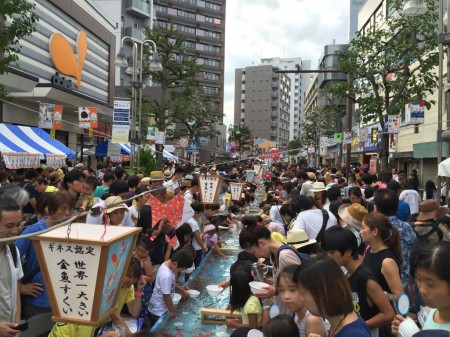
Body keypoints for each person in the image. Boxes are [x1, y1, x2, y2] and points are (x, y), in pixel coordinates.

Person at [322, 226, 395, 337]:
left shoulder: (365, 278)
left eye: (332, 252)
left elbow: (389, 314)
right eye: (326, 253)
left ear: (348, 251)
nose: (328, 257)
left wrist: (359, 327)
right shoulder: (347, 274)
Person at [49, 257, 146, 337]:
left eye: (135, 277)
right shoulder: (101, 293)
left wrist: (139, 290)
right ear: (119, 272)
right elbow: (115, 316)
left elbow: (134, 313)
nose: (132, 281)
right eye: (129, 276)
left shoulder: (128, 287)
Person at [17, 191, 74, 319]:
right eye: (63, 209)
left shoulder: (70, 228)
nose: (67, 213)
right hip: (39, 300)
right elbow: (11, 258)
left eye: (70, 209)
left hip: (64, 296)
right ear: (51, 210)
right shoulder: (32, 231)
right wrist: (20, 286)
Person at [293, 255, 372, 337]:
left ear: (322, 293)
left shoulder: (352, 334)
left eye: (303, 293)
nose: (301, 298)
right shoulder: (340, 322)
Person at [239, 225, 301, 314]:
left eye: (254, 252)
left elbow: (300, 286)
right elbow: (286, 281)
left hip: (292, 312)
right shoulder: (274, 253)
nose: (257, 256)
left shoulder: (285, 256)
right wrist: (270, 282)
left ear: (261, 243)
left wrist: (275, 291)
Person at [391, 242, 450, 335]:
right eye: (418, 278)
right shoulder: (431, 311)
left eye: (430, 284)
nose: (422, 290)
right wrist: (408, 331)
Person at [360, 213, 404, 303]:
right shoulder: (369, 250)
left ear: (375, 232)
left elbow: (400, 297)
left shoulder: (387, 261)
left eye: (363, 228)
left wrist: (377, 293)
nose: (360, 232)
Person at [147, 249, 194, 327]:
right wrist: (172, 311)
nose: (180, 271)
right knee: (156, 329)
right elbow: (166, 295)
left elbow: (171, 284)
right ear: (175, 264)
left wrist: (182, 290)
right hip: (158, 310)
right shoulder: (166, 275)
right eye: (181, 269)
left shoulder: (167, 264)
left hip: (158, 306)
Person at [277, 265, 326, 337]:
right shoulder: (296, 314)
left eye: (292, 290)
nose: (286, 296)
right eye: (281, 290)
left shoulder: (312, 320)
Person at [0, 197, 24, 337]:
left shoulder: (13, 251)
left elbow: (15, 291)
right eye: (9, 226)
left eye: (18, 224)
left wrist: (17, 325)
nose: (15, 231)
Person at [133, 234, 154, 318]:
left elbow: (150, 277)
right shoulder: (134, 254)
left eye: (143, 252)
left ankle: (141, 322)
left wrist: (141, 277)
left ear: (149, 251)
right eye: (138, 250)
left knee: (140, 307)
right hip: (132, 284)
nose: (140, 253)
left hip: (142, 287)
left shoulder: (145, 262)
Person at [187, 202, 208, 267]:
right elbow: (197, 237)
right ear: (196, 212)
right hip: (196, 248)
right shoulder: (193, 222)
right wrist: (203, 247)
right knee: (197, 266)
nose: (200, 215)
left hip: (190, 247)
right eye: (200, 213)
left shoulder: (187, 219)